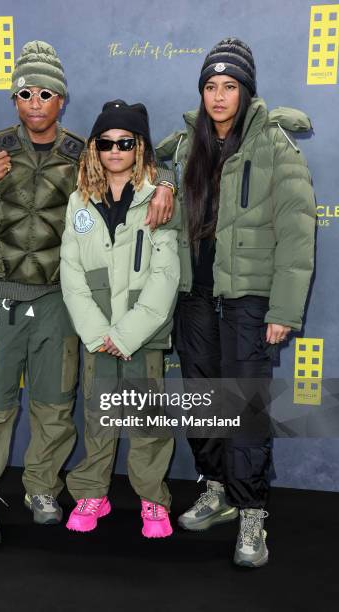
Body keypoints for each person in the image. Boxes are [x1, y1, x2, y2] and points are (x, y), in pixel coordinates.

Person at [0, 41, 174, 548]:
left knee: (54, 405)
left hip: (58, 303)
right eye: (25, 92)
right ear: (15, 99)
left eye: (46, 92)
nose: (35, 101)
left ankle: (42, 488)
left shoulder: (79, 154)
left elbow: (138, 167)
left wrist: (168, 184)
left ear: (61, 99)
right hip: (0, 301)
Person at [156, 38, 316, 566]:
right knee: (202, 401)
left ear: (246, 92)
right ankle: (217, 489)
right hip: (196, 298)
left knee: (244, 409)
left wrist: (284, 312)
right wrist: (160, 181)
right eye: (209, 86)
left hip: (249, 300)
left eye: (228, 86)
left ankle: (252, 514)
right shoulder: (186, 145)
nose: (218, 96)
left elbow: (296, 234)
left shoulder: (274, 145)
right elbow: (136, 162)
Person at [60, 100, 180, 538]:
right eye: (106, 142)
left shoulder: (161, 200)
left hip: (142, 335)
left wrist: (126, 333)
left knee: (148, 421)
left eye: (124, 142)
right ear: (94, 148)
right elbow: (70, 274)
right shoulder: (79, 201)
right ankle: (94, 492)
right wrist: (97, 333)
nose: (114, 150)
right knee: (97, 416)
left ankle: (152, 499)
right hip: (97, 335)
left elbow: (166, 278)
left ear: (139, 147)